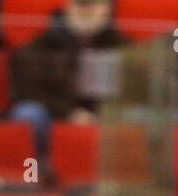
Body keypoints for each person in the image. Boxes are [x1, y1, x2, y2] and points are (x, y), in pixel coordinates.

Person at [9, 0, 126, 145]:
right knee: (28, 113)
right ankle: (35, 164)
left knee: (143, 115)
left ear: (107, 8)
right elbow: (28, 89)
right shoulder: (41, 44)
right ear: (67, 6)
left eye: (94, 4)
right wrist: (69, 113)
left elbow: (132, 90)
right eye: (80, 4)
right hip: (55, 114)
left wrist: (100, 115)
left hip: (107, 117)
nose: (87, 10)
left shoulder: (122, 46)